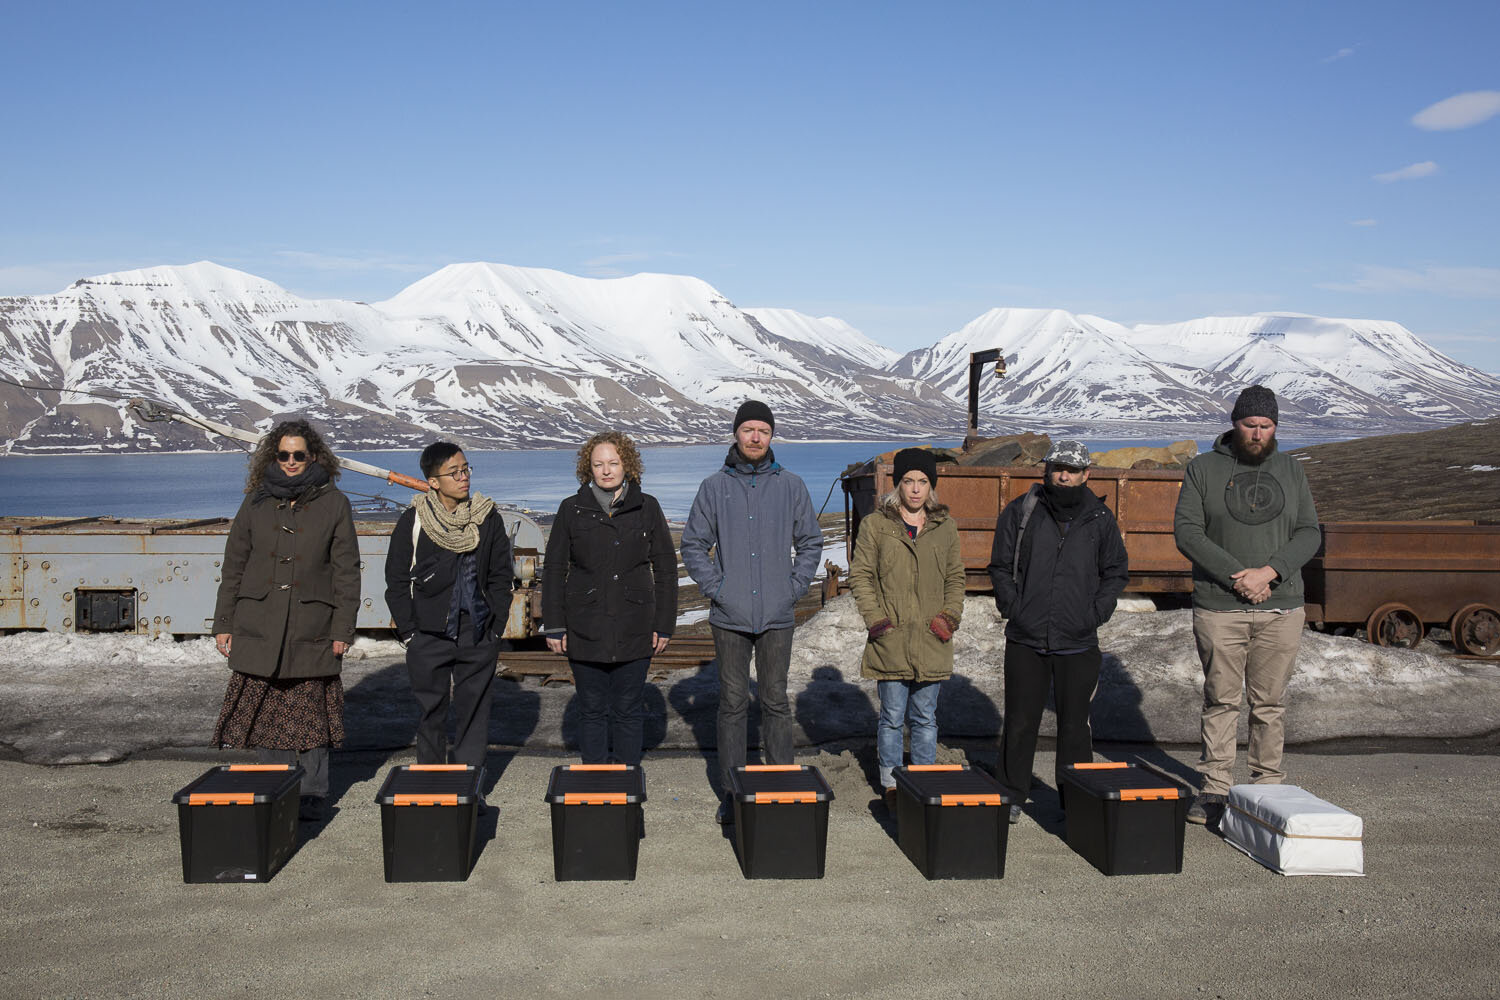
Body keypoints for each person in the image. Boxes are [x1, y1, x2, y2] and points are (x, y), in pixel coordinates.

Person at [1174, 385, 1320, 826]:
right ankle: (1215, 789)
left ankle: (1264, 790)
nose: (1257, 434)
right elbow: (1188, 532)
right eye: (1249, 425)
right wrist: (1240, 577)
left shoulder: (1292, 470)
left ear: (1275, 427)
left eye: (1266, 426)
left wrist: (1269, 572)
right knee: (1220, 699)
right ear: (1234, 423)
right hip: (1220, 606)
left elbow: (1309, 532)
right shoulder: (1202, 469)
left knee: (1269, 703)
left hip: (1281, 606)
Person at [681, 400, 823, 824]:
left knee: (777, 700)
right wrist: (717, 588)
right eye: (748, 430)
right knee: (732, 703)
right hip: (729, 615)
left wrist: (793, 589)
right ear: (736, 435)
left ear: (771, 436)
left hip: (777, 614)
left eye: (763, 430)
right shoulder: (714, 487)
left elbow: (810, 542)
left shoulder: (792, 486)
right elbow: (693, 544)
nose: (756, 437)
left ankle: (781, 785)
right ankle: (732, 790)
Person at [212, 419, 360, 822]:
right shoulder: (255, 501)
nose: (291, 461)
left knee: (311, 713)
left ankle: (312, 793)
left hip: (312, 623)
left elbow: (347, 572)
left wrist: (343, 628)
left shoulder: (335, 503)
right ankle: (276, 785)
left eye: (299, 455)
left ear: (314, 456)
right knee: (267, 712)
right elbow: (235, 565)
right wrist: (223, 622)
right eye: (283, 454)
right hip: (258, 621)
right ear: (272, 457)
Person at [987, 440, 1129, 823]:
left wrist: (1096, 612)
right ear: (1046, 471)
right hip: (1026, 637)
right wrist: (1013, 608)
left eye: (1071, 469)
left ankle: (1075, 800)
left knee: (1074, 726)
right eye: (1057, 468)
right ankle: (1011, 795)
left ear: (1087, 474)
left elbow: (1116, 571)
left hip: (1078, 639)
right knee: (1019, 720)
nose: (1063, 475)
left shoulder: (1100, 518)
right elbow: (999, 566)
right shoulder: (1022, 512)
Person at [542, 430, 677, 765]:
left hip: (635, 626)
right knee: (591, 711)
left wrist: (665, 625)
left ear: (626, 465)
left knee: (629, 710)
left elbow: (665, 569)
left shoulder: (648, 507)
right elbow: (555, 569)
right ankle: (596, 786)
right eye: (598, 464)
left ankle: (627, 782)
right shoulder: (571, 509)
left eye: (613, 463)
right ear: (588, 468)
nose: (606, 470)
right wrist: (554, 626)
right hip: (585, 627)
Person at [384, 442, 513, 772]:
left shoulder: (487, 518)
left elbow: (500, 576)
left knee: (474, 714)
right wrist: (410, 632)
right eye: (453, 472)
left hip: (477, 632)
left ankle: (469, 788)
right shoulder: (414, 520)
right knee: (431, 713)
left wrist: (495, 627)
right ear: (433, 481)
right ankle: (431, 785)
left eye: (466, 469)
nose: (463, 477)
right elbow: (396, 579)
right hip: (428, 635)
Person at [847, 448, 965, 806]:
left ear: (932, 487)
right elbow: (861, 576)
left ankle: (924, 781)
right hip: (891, 637)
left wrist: (948, 618)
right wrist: (876, 620)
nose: (915, 489)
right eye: (908, 481)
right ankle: (893, 784)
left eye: (923, 482)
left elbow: (956, 578)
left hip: (932, 637)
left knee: (925, 717)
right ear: (898, 484)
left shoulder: (945, 527)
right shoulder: (876, 525)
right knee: (893, 717)